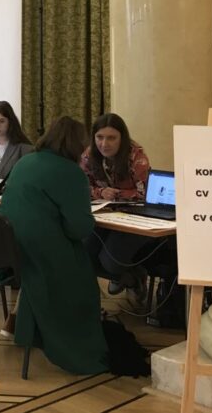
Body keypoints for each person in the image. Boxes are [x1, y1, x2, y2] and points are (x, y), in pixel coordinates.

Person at [0, 116, 108, 375]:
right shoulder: (71, 173)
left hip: (8, 246)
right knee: (83, 275)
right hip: (41, 251)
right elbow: (79, 228)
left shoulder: (26, 162)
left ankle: (21, 322)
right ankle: (78, 342)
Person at [80, 113, 155, 295]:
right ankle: (130, 277)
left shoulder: (136, 156)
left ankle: (128, 275)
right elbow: (81, 185)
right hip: (104, 216)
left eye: (111, 138)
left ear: (122, 138)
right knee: (82, 255)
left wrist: (117, 194)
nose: (104, 144)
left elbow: (145, 193)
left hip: (133, 217)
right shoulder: (89, 155)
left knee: (111, 262)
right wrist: (100, 192)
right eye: (99, 137)